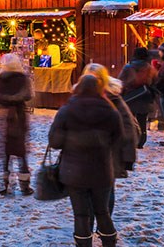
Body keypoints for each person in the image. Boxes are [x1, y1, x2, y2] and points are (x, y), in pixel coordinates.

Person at [48, 73, 123, 247]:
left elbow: (55, 142)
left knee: (81, 214)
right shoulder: (111, 110)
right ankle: (109, 242)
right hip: (102, 170)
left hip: (74, 173)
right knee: (102, 211)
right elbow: (118, 140)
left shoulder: (67, 110)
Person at [84, 63, 138, 215]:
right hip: (85, 155)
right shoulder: (79, 98)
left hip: (108, 155)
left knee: (106, 191)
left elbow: (128, 129)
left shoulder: (114, 99)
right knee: (87, 192)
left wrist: (125, 156)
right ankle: (88, 227)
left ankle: (104, 226)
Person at [0, 53, 34, 196]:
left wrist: (5, 99)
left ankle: (4, 185)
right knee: (21, 152)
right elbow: (28, 95)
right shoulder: (23, 79)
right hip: (19, 115)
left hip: (4, 116)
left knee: (5, 152)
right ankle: (24, 186)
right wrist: (16, 98)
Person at [118, 47, 156, 148]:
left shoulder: (128, 67)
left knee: (130, 120)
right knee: (142, 120)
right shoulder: (150, 68)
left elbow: (120, 81)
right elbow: (155, 81)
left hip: (130, 96)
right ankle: (141, 141)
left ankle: (131, 139)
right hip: (145, 96)